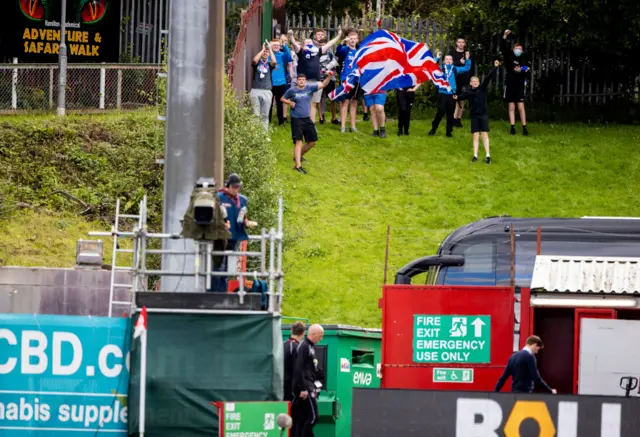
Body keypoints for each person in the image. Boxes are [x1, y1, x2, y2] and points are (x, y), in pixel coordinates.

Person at [210, 174, 258, 292]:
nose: (236, 189)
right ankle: (213, 295)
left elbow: (243, 217)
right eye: (234, 187)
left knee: (227, 270)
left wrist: (247, 223)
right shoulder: (219, 197)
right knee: (217, 269)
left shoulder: (242, 200)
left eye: (238, 187)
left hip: (235, 238)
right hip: (220, 238)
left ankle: (223, 295)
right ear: (228, 186)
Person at [281, 72, 335, 174]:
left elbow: (323, 84)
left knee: (312, 142)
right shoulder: (292, 90)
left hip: (307, 119)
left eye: (303, 80)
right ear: (297, 81)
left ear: (305, 81)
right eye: (299, 79)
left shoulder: (309, 88)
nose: (301, 81)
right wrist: (290, 103)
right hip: (296, 119)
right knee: (298, 141)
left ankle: (298, 156)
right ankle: (298, 166)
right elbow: (282, 98)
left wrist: (329, 77)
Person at [288, 28, 342, 124]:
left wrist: (338, 36)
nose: (309, 44)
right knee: (303, 103)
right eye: (306, 43)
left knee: (313, 104)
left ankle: (311, 125)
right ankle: (301, 122)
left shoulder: (317, 52)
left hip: (316, 82)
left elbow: (329, 44)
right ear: (304, 45)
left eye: (310, 43)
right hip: (304, 82)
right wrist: (291, 36)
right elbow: (293, 42)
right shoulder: (301, 52)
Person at [454, 60, 500, 164]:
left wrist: (495, 67)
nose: (475, 82)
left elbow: (488, 77)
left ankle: (488, 155)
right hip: (474, 116)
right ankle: (475, 155)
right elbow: (460, 96)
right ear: (470, 83)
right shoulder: (468, 92)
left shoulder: (482, 89)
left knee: (484, 134)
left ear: (479, 83)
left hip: (483, 115)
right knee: (475, 135)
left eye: (476, 81)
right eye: (473, 81)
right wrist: (455, 96)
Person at [428, 52, 472, 137]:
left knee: (450, 113)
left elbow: (466, 68)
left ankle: (449, 132)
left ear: (452, 61)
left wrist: (467, 59)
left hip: (452, 94)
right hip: (442, 93)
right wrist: (436, 58)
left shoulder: (455, 69)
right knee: (440, 112)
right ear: (444, 61)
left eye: (450, 59)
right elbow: (431, 67)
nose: (448, 61)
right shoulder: (441, 68)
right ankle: (433, 129)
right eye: (447, 59)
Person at [292, 324, 325, 437]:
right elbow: (298, 368)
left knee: (305, 418)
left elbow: (311, 368)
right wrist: (303, 388)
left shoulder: (311, 347)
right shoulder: (305, 346)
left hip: (310, 385)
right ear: (313, 334)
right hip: (306, 387)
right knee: (313, 417)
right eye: (320, 336)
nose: (321, 339)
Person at [501, 29, 531, 136]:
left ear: (522, 51)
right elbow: (503, 47)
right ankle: (512, 127)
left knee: (521, 107)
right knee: (511, 107)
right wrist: (505, 35)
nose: (518, 50)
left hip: (519, 85)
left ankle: (524, 128)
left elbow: (527, 68)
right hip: (510, 84)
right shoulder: (509, 56)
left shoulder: (524, 58)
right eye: (516, 48)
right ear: (513, 49)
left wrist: (523, 69)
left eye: (520, 49)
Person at [334, 29, 362, 133]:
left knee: (354, 103)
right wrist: (342, 42)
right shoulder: (345, 50)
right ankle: (343, 126)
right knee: (345, 102)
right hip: (345, 79)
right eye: (351, 39)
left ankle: (353, 126)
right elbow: (338, 52)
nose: (352, 41)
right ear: (348, 39)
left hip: (357, 80)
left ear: (357, 39)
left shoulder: (359, 51)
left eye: (354, 39)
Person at [284, 321, 306, 437]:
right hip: (292, 391)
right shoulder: (296, 348)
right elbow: (298, 371)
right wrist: (301, 389)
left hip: (281, 388)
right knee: (295, 421)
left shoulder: (283, 345)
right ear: (303, 333)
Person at [250, 40, 277, 131]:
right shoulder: (257, 63)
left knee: (265, 114)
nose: (265, 53)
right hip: (255, 90)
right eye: (264, 52)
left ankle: (264, 134)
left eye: (267, 52)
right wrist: (262, 50)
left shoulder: (269, 64)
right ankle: (255, 134)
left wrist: (270, 49)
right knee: (255, 114)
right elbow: (254, 60)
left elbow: (274, 61)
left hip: (267, 91)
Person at [313, 30, 339, 125]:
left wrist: (332, 72)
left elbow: (334, 62)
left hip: (329, 77)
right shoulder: (314, 49)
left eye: (321, 34)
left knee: (332, 97)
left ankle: (334, 117)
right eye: (318, 34)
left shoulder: (329, 51)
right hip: (319, 77)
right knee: (319, 97)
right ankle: (321, 117)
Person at [268, 39, 293, 126]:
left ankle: (281, 122)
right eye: (274, 45)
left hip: (281, 83)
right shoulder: (268, 55)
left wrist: (284, 45)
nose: (276, 46)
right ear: (271, 46)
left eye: (278, 45)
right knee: (269, 103)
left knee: (280, 103)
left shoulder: (282, 54)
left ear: (280, 46)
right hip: (270, 83)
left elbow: (289, 57)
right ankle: (268, 121)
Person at [448, 37, 471, 128]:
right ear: (456, 43)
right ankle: (452, 118)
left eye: (463, 42)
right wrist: (459, 62)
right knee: (453, 99)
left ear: (465, 44)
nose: (461, 44)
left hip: (464, 79)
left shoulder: (467, 53)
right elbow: (448, 64)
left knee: (462, 100)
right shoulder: (452, 53)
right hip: (454, 79)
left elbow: (469, 65)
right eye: (459, 42)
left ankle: (458, 119)